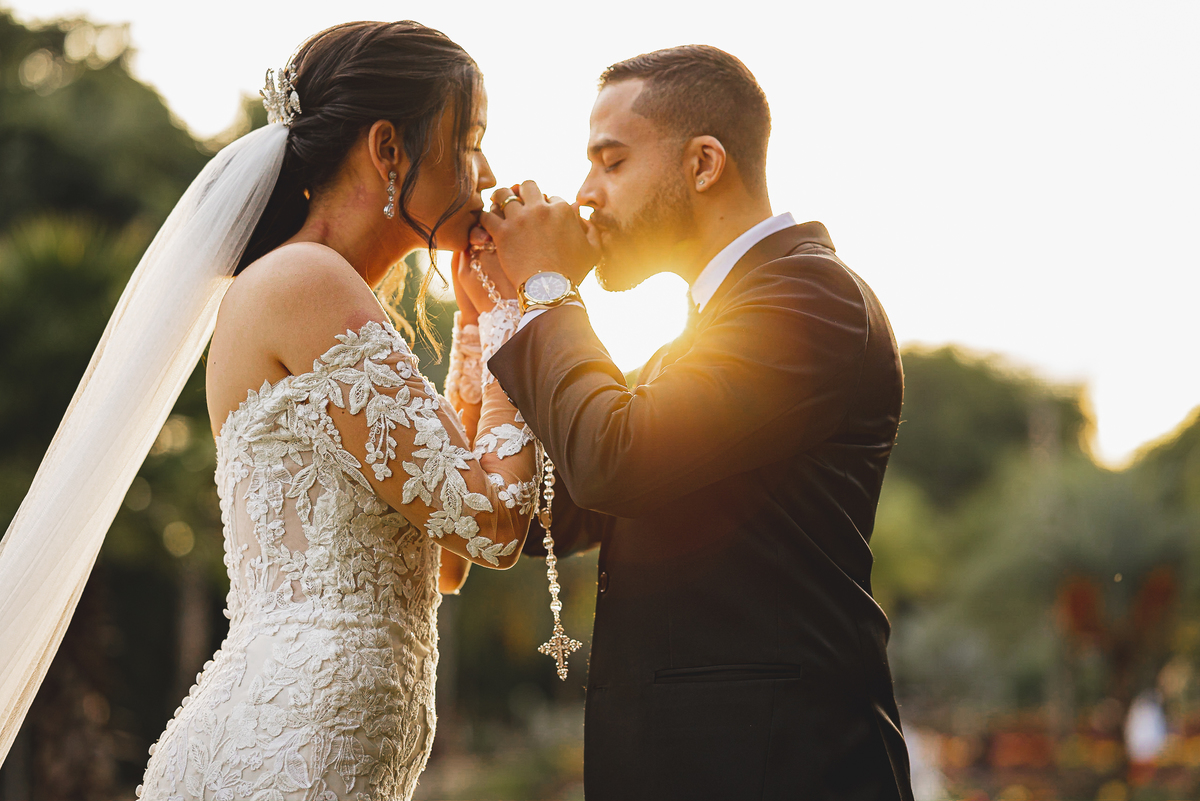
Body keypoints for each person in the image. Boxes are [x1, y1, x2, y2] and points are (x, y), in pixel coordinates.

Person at [0, 20, 539, 801]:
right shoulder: (304, 284)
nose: (484, 172)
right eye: (469, 140)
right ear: (388, 148)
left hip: (311, 750)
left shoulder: (327, 296)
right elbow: (492, 525)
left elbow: (448, 558)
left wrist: (481, 318)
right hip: (288, 755)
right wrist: (525, 310)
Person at [479, 45, 915, 800]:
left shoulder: (811, 298)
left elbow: (617, 459)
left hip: (783, 772)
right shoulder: (693, 340)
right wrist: (502, 303)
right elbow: (568, 506)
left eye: (611, 163)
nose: (585, 194)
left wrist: (549, 285)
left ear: (704, 163)